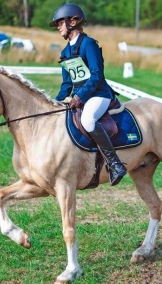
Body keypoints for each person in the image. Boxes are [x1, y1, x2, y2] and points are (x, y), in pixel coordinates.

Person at [49, 3, 127, 186]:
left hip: (99, 94)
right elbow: (67, 83)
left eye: (61, 23)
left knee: (87, 120)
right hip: (81, 96)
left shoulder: (89, 44)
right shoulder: (65, 52)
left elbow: (96, 75)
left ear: (74, 21)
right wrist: (55, 102)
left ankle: (115, 164)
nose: (59, 27)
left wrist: (79, 97)